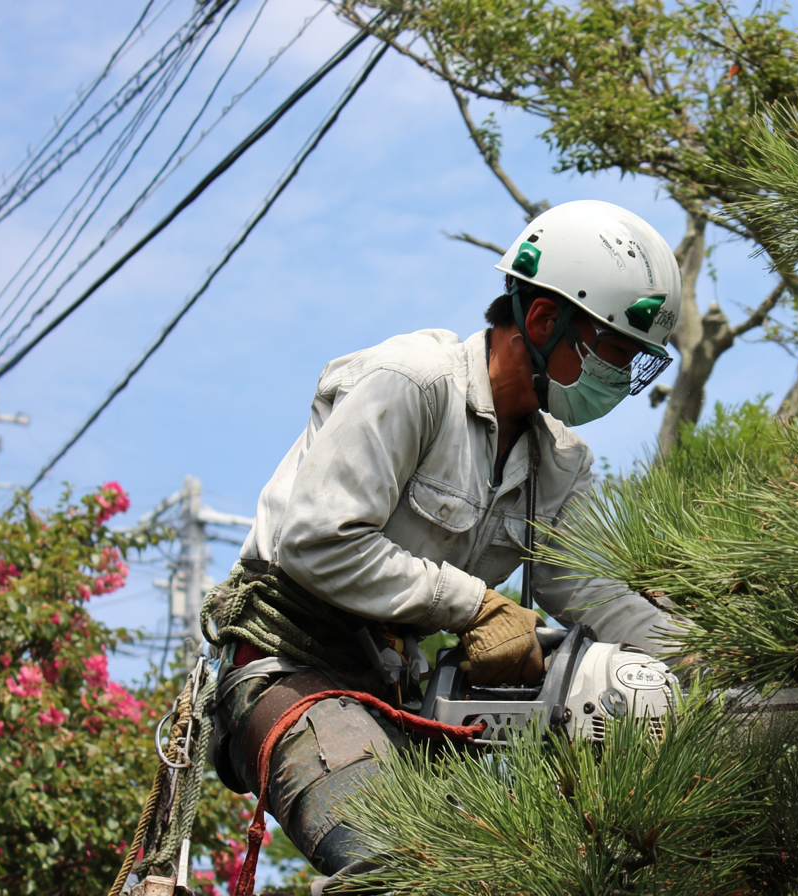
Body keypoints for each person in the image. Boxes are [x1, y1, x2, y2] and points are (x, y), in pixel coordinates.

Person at [201, 199, 683, 888]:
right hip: (290, 667)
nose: (621, 378)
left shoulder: (560, 462)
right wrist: (475, 605)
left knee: (502, 870)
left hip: (397, 693)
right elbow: (317, 540)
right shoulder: (413, 383)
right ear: (544, 321)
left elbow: (591, 592)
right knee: (399, 865)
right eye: (613, 350)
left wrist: (702, 656)